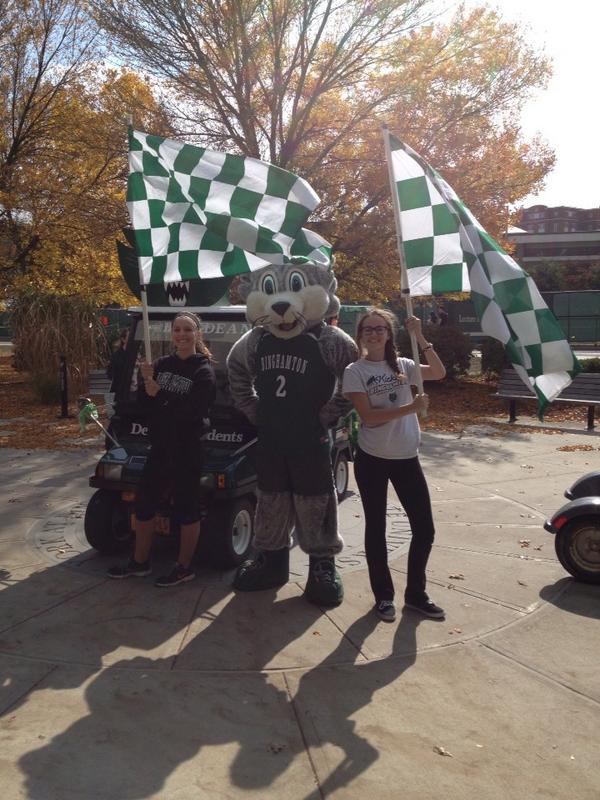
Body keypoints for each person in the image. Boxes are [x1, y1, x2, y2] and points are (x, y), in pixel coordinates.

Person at [342, 308, 446, 622]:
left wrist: (420, 336)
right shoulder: (355, 371)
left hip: (406, 458)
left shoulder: (404, 365)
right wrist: (411, 407)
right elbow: (369, 417)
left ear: (389, 334)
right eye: (368, 329)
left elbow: (438, 372)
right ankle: (383, 597)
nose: (374, 333)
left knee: (424, 529)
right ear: (361, 335)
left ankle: (416, 595)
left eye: (380, 329)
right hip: (372, 458)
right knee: (377, 528)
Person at [108, 312, 216, 587]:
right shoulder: (161, 365)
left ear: (197, 334)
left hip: (187, 448)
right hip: (160, 447)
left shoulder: (203, 370)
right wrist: (145, 381)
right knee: (144, 504)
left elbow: (194, 411)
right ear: (171, 334)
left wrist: (160, 392)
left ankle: (184, 567)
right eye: (177, 329)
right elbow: (146, 405)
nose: (182, 334)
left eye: (187, 330)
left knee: (186, 507)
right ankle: (140, 562)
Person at [106, 328, 129, 393]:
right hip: (120, 390)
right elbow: (110, 374)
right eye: (130, 337)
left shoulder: (136, 354)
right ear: (123, 339)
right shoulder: (116, 356)